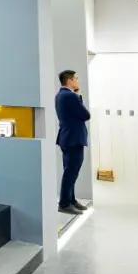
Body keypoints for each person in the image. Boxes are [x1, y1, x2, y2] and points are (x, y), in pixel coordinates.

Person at [56, 70, 91, 215]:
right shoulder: (70, 96)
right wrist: (78, 97)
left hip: (67, 138)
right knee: (71, 173)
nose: (77, 81)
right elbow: (86, 115)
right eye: (76, 78)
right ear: (69, 81)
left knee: (70, 171)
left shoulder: (60, 95)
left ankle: (71, 200)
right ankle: (64, 203)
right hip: (73, 139)